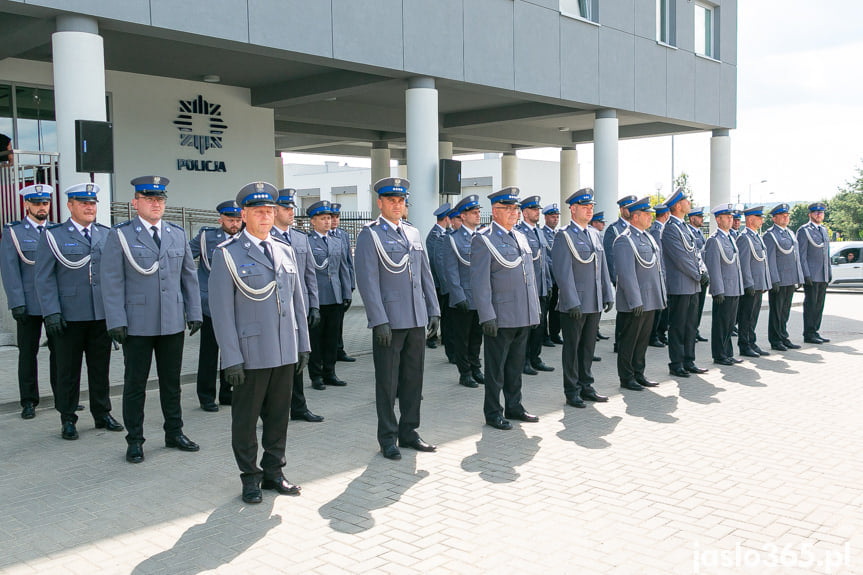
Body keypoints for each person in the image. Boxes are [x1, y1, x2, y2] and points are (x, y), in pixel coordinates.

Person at [209, 181, 310, 504]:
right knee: (246, 419)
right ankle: (249, 476)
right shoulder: (227, 254)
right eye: (259, 212)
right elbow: (221, 312)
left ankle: (273, 471)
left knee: (279, 415)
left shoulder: (285, 250)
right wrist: (231, 358)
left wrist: (303, 343)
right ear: (244, 215)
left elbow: (298, 303)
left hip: (283, 349)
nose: (266, 217)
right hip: (251, 353)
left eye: (270, 211)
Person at [101, 176, 203, 464]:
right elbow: (112, 282)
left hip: (171, 320)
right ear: (136, 203)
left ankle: (175, 431)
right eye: (149, 199)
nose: (156, 203)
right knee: (136, 384)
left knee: (172, 383)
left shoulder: (176, 233)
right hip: (137, 323)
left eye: (160, 199)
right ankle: (135, 439)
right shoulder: (120, 235)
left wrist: (194, 312)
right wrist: (116, 321)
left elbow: (188, 277)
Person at [355, 177, 440, 460]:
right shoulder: (370, 234)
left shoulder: (413, 233)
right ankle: (388, 437)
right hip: (390, 321)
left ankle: (409, 431)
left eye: (401, 200)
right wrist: (378, 320)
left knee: (413, 380)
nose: (396, 205)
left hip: (415, 318)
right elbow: (368, 281)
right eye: (391, 200)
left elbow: (425, 274)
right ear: (380, 203)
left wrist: (434, 309)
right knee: (388, 383)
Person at [34, 182, 123, 439]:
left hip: (99, 315)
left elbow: (114, 276)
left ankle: (102, 413)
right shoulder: (53, 235)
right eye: (83, 203)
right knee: (68, 371)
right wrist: (50, 312)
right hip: (68, 316)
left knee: (100, 368)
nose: (89, 207)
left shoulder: (106, 234)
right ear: (70, 205)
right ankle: (68, 417)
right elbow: (44, 277)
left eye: (92, 203)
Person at [470, 187, 540, 429]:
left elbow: (529, 277)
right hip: (500, 316)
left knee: (515, 366)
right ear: (495, 211)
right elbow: (479, 282)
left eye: (515, 208)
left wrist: (534, 310)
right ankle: (493, 411)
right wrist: (486, 315)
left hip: (522, 313)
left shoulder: (520, 237)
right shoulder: (484, 239)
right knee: (496, 369)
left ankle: (514, 405)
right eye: (507, 208)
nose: (513, 213)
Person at [552, 187, 614, 407]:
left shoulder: (595, 234)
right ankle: (572, 390)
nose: (589, 210)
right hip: (575, 304)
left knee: (588, 347)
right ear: (573, 209)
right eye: (585, 207)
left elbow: (602, 267)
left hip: (594, 301)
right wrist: (571, 301)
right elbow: (562, 272)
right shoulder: (564, 235)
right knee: (572, 349)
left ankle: (586, 384)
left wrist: (607, 293)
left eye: (591, 207)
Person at [1, 184, 58, 419]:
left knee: (61, 353)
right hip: (29, 303)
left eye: (45, 203)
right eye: (36, 203)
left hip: (55, 304)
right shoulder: (14, 232)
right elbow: (9, 270)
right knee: (27, 353)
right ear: (26, 205)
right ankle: (28, 401)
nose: (41, 207)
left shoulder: (58, 230)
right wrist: (16, 302)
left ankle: (64, 397)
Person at [271, 189, 323, 422]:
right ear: (273, 211)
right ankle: (273, 411)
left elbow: (309, 274)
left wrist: (314, 305)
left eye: (292, 208)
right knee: (276, 363)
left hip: (298, 308)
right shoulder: (266, 237)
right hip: (276, 309)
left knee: (299, 359)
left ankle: (299, 407)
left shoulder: (300, 238)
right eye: (286, 208)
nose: (291, 212)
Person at [189, 200, 242, 412]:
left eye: (238, 220)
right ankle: (206, 396)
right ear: (220, 219)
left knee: (232, 351)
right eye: (230, 220)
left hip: (237, 304)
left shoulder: (245, 238)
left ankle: (227, 392)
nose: (235, 224)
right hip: (210, 305)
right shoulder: (206, 237)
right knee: (209, 353)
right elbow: (184, 257)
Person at [612, 197, 665, 390]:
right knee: (629, 341)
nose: (651, 217)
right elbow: (626, 274)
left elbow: (656, 269)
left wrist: (660, 295)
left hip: (650, 298)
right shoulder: (624, 240)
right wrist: (636, 301)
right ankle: (627, 377)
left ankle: (639, 373)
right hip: (634, 302)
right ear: (635, 217)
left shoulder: (647, 237)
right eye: (647, 214)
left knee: (642, 340)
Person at [661, 188, 709, 378]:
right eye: (687, 201)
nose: (690, 203)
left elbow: (696, 253)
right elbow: (681, 258)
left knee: (691, 325)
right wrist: (699, 274)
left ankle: (689, 360)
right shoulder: (670, 228)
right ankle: (677, 363)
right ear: (678, 206)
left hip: (693, 284)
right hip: (681, 285)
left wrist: (703, 270)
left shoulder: (684, 227)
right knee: (678, 326)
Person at [306, 200, 352, 390]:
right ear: (313, 222)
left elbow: (343, 269)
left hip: (334, 296)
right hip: (317, 297)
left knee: (332, 337)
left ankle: (330, 372)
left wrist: (346, 292)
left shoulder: (336, 241)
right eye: (323, 218)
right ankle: (316, 375)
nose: (327, 221)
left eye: (329, 218)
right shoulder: (307, 241)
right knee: (315, 339)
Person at [441, 195, 484, 388]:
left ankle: (476, 368)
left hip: (480, 298)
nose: (478, 215)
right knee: (462, 338)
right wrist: (459, 297)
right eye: (474, 213)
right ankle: (464, 372)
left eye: (478, 212)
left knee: (476, 336)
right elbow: (450, 271)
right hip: (464, 298)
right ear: (463, 216)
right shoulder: (453, 240)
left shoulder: (482, 236)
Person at [515, 195, 554, 375]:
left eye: (538, 209)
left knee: (539, 326)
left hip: (541, 288)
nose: (537, 212)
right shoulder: (519, 232)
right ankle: (522, 361)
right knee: (526, 328)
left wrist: (548, 283)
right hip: (527, 289)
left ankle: (535, 357)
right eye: (533, 209)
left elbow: (544, 261)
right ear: (524, 213)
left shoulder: (539, 232)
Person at [704, 203, 744, 365]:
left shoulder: (730, 238)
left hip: (734, 288)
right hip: (724, 289)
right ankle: (720, 355)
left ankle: (728, 352)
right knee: (721, 324)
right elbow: (713, 267)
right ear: (718, 220)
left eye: (731, 217)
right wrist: (717, 289)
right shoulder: (714, 240)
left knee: (729, 324)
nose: (730, 220)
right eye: (727, 217)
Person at [764, 203, 804, 351]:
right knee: (776, 310)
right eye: (782, 216)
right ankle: (775, 340)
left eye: (787, 216)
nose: (785, 218)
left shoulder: (790, 233)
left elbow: (796, 257)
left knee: (785, 310)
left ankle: (783, 336)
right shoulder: (770, 234)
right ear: (774, 218)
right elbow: (770, 259)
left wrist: (799, 277)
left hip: (790, 279)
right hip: (779, 280)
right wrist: (774, 279)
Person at [736, 205, 772, 357]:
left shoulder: (756, 236)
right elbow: (744, 263)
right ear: (750, 219)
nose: (762, 220)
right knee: (746, 316)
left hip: (758, 283)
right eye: (759, 218)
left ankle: (752, 342)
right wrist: (748, 283)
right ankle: (744, 345)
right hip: (750, 285)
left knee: (754, 315)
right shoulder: (744, 238)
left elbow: (762, 261)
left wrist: (764, 282)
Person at [603, 195, 635, 352]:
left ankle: (630, 341)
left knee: (633, 312)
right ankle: (620, 342)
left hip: (636, 279)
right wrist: (615, 278)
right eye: (628, 207)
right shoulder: (614, 229)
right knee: (624, 311)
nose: (630, 210)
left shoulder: (637, 228)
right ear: (622, 209)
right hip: (621, 278)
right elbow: (609, 256)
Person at [797, 202, 831, 344]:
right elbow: (801, 255)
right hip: (812, 275)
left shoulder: (824, 230)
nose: (819, 215)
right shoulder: (804, 230)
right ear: (810, 214)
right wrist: (806, 274)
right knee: (811, 304)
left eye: (821, 213)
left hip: (822, 274)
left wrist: (828, 271)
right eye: (816, 212)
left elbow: (826, 254)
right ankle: (808, 333)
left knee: (819, 305)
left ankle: (815, 331)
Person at [330, 203, 357, 363]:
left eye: (336, 217)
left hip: (342, 286)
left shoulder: (343, 235)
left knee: (339, 322)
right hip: (329, 288)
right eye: (331, 217)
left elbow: (348, 262)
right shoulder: (320, 236)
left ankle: (339, 350)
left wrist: (351, 285)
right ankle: (330, 353)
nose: (334, 220)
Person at [425, 203, 451, 350]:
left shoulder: (444, 234)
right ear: (446, 218)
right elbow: (437, 262)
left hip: (442, 282)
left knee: (444, 313)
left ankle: (444, 337)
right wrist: (444, 283)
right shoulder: (434, 235)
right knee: (435, 312)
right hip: (437, 282)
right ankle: (431, 337)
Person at [648, 203, 670, 347]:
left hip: (664, 273)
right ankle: (653, 335)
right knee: (658, 308)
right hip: (659, 274)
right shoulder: (656, 230)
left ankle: (660, 334)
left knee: (664, 307)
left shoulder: (661, 229)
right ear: (666, 215)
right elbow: (658, 255)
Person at [687, 207, 710, 343]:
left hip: (703, 274)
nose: (702, 219)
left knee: (700, 306)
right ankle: (690, 331)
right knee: (692, 308)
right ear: (692, 218)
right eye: (699, 217)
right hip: (695, 275)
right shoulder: (688, 232)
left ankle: (695, 329)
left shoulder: (700, 233)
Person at [541, 203, 562, 345]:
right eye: (553, 217)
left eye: (557, 217)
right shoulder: (541, 234)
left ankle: (555, 333)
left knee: (556, 308)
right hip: (548, 277)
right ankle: (544, 336)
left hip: (559, 278)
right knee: (545, 309)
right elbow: (545, 258)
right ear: (546, 218)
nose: (555, 220)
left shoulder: (559, 234)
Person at [589, 210, 610, 341]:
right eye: (601, 222)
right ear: (594, 223)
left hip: (599, 278)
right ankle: (593, 331)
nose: (603, 225)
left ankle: (595, 330)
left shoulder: (598, 236)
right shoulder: (592, 234)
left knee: (598, 307)